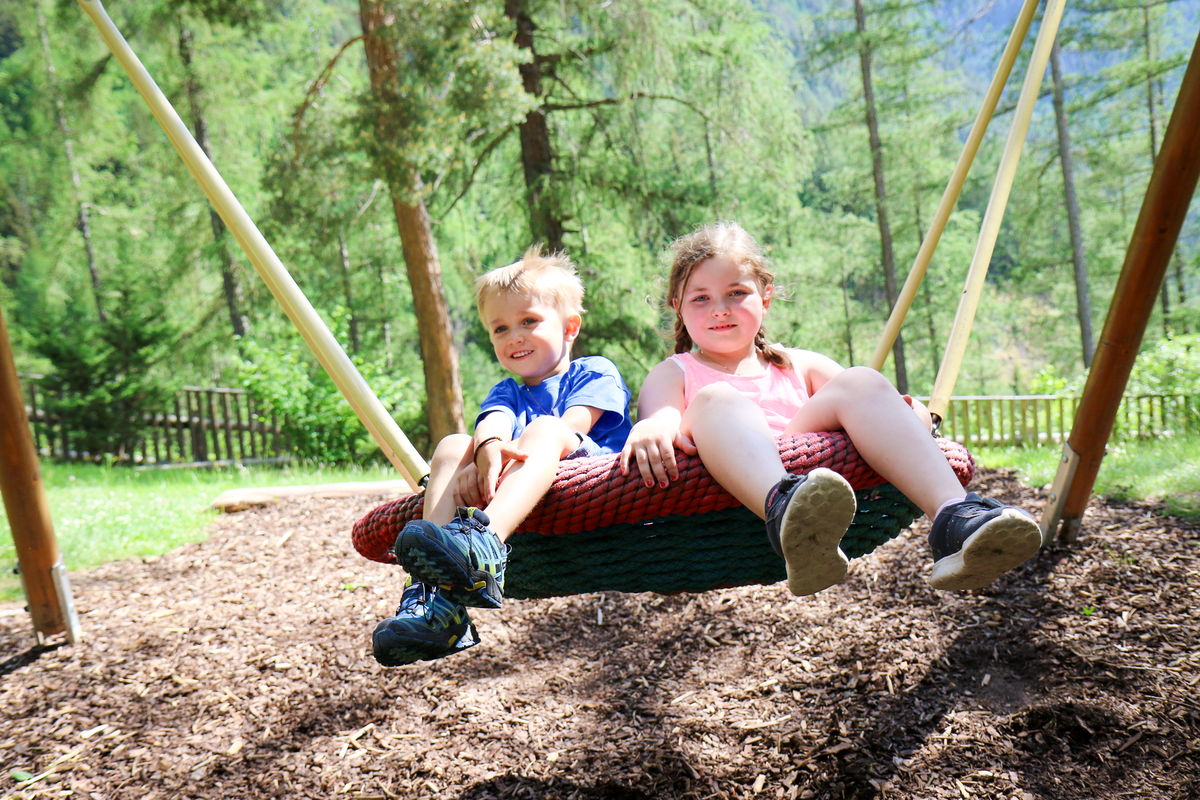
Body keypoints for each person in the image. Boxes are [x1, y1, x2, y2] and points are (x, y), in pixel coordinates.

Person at [620, 221, 1041, 598]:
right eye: (701, 298)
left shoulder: (799, 365)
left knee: (860, 380)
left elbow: (868, 406)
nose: (720, 309)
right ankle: (785, 511)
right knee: (717, 399)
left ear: (765, 298)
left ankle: (954, 518)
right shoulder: (675, 373)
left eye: (737, 293)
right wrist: (651, 427)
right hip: (732, 486)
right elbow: (660, 420)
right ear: (677, 307)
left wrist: (909, 416)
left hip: (805, 471)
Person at [373, 247, 634, 666]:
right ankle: (432, 601)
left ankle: (485, 546)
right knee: (452, 445)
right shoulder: (507, 392)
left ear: (570, 327)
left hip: (590, 476)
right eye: (500, 328)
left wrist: (495, 465)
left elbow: (571, 427)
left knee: (543, 428)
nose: (514, 336)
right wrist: (485, 454)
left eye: (529, 321)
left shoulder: (594, 371)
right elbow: (492, 423)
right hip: (520, 488)